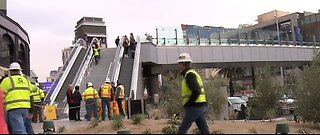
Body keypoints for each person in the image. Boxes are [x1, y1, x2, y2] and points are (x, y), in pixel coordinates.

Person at [177, 53, 209, 134]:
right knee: (204, 130)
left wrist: (188, 104)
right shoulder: (192, 73)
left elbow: (196, 91)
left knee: (182, 130)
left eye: (179, 63)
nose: (178, 65)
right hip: (201, 106)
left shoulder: (189, 75)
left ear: (183, 64)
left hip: (194, 106)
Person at [0, 62, 34, 134]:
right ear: (19, 71)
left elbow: (1, 93)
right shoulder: (26, 81)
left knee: (18, 130)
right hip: (25, 109)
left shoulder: (7, 81)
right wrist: (31, 110)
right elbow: (32, 93)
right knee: (24, 128)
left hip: (14, 109)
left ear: (10, 71)